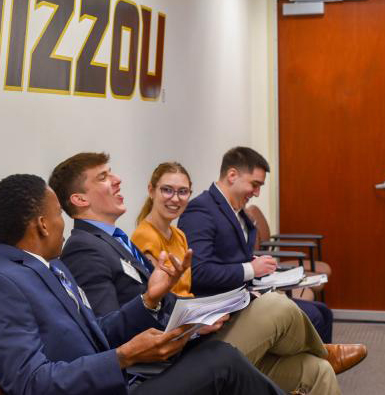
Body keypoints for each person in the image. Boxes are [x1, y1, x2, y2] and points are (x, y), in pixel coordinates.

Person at [50, 153, 359, 394]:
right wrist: (177, 317)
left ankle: (320, 356)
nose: (117, 179)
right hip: (169, 361)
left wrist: (201, 316)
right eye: (104, 177)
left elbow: (165, 299)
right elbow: (108, 334)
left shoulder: (117, 240)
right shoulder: (84, 248)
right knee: (276, 306)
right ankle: (322, 349)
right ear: (80, 199)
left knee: (316, 371)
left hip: (191, 336)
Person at [0, 174, 283, 395]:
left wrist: (148, 299)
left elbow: (96, 333)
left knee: (214, 351)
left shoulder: (53, 265)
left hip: (123, 379)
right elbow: (31, 383)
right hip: (111, 384)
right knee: (221, 363)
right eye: (57, 215)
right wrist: (122, 357)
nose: (63, 223)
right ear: (41, 224)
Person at [177, 147, 343, 346]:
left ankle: (320, 371)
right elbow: (199, 272)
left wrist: (253, 265)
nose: (257, 193)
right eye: (254, 185)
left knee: (323, 312)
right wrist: (250, 269)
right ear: (232, 175)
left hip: (246, 294)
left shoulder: (237, 210)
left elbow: (229, 257)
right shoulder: (201, 210)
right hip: (222, 306)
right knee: (312, 316)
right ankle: (308, 372)